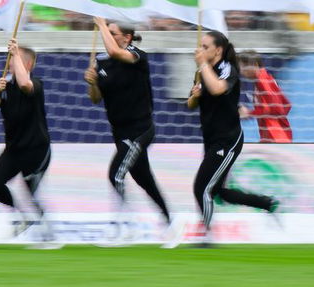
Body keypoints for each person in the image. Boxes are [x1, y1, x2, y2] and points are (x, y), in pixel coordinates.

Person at [184, 30, 279, 247]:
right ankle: (267, 203)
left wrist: (203, 66)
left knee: (202, 187)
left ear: (218, 50)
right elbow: (191, 104)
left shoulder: (228, 69)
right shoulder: (203, 70)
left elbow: (217, 88)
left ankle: (206, 236)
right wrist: (194, 95)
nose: (201, 50)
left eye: (206, 46)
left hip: (228, 139)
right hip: (211, 138)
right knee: (219, 192)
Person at [86, 17, 173, 243]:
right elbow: (96, 98)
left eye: (112, 32)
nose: (108, 36)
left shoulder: (136, 55)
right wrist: (92, 82)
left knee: (115, 174)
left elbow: (116, 52)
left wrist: (101, 24)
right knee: (145, 180)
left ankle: (125, 226)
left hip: (140, 128)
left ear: (127, 37)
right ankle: (170, 222)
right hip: (119, 131)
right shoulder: (103, 62)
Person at [0, 39, 57, 248]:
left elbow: (25, 84)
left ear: (27, 65)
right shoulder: (6, 85)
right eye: (9, 63)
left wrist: (16, 53)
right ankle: (23, 216)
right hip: (13, 149)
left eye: (14, 63)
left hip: (36, 149)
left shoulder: (35, 84)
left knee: (30, 191)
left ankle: (47, 234)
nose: (9, 67)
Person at [238, 52, 293, 142]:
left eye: (244, 67)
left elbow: (275, 108)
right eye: (240, 67)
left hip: (276, 136)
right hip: (274, 135)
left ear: (255, 65)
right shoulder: (264, 79)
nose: (241, 71)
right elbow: (286, 105)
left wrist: (249, 113)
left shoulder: (263, 81)